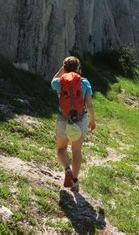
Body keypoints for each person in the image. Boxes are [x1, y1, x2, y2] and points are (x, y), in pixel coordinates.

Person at [51, 56, 96, 192]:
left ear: (65, 68)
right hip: (80, 119)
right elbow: (89, 104)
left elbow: (53, 79)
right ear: (78, 69)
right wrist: (92, 120)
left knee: (61, 149)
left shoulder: (59, 82)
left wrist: (63, 69)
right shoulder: (85, 83)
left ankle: (67, 169)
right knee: (76, 151)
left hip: (63, 118)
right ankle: (75, 182)